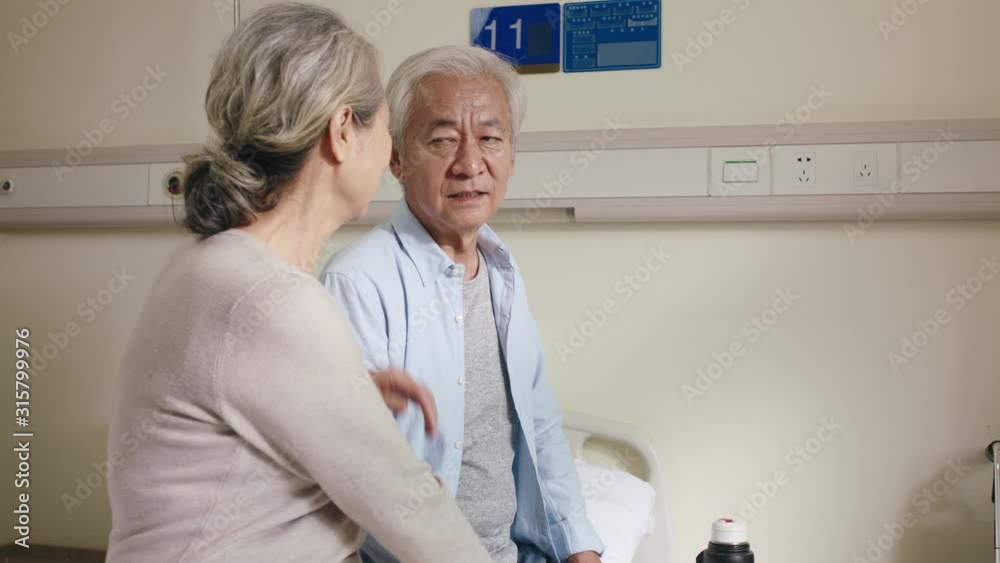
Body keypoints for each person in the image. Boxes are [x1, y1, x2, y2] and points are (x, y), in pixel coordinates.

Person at [105, 5, 492, 562]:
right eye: (384, 127)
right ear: (342, 133)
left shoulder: (209, 265)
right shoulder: (275, 301)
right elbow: (414, 510)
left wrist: (344, 393)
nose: (389, 152)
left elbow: (233, 409)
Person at [322, 45, 605, 563]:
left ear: (512, 158)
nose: (470, 163)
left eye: (490, 139)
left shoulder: (502, 269)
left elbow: (540, 428)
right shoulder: (359, 283)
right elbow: (348, 468)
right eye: (443, 139)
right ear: (398, 158)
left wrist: (580, 549)